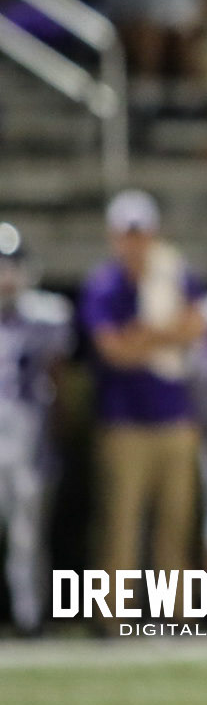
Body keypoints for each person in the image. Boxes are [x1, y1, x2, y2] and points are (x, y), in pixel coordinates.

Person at [81, 190, 207, 598]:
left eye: (140, 233)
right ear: (114, 237)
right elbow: (114, 352)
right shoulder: (103, 285)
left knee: (176, 526)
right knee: (119, 526)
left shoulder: (175, 274)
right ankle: (113, 616)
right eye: (127, 234)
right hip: (124, 424)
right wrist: (168, 335)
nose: (134, 243)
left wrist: (144, 335)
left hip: (176, 420)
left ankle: (174, 614)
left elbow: (198, 327)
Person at [0, 227, 73, 633]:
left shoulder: (46, 316)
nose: (6, 276)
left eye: (11, 266)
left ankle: (29, 616)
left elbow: (56, 381)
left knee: (27, 534)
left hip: (28, 435)